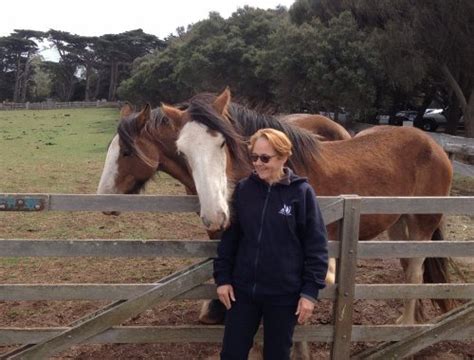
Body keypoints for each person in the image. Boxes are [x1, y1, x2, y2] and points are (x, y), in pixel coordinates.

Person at [213, 128, 329, 360]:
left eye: (265, 158)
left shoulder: (301, 193)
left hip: (284, 295)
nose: (258, 163)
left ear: (283, 157)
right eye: (254, 157)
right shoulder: (245, 190)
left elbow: (316, 246)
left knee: (276, 354)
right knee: (231, 354)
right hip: (243, 292)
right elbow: (231, 239)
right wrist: (223, 279)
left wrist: (309, 292)